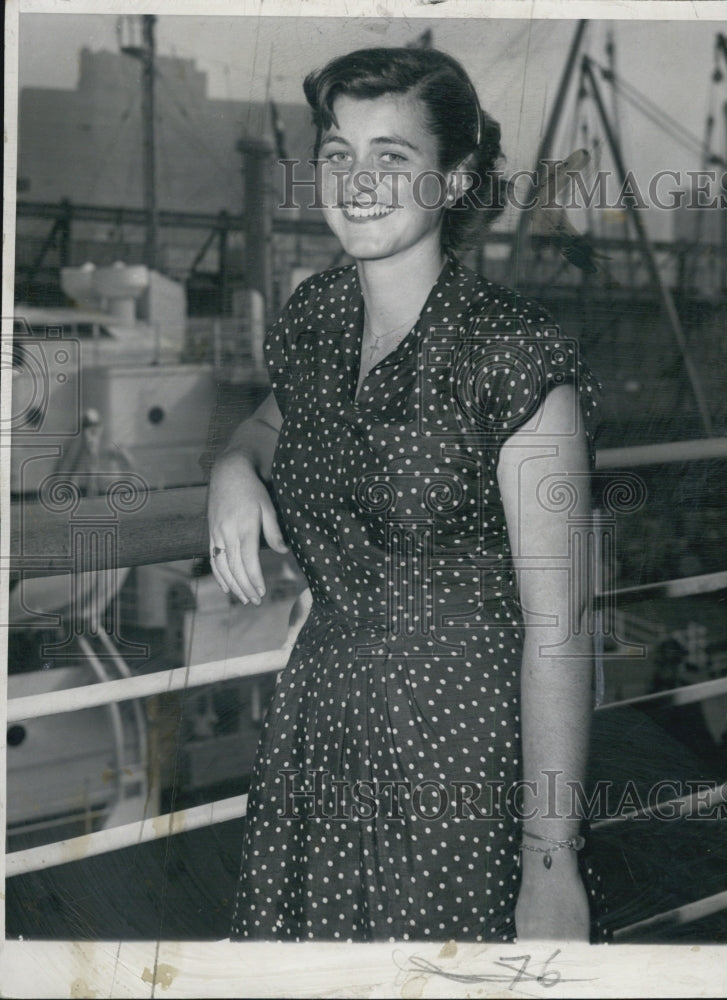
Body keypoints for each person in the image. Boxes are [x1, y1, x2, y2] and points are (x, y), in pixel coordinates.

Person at [208, 47, 602, 943]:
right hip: (325, 719)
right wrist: (233, 466)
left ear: (455, 179)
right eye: (340, 153)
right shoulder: (318, 315)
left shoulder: (511, 355)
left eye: (393, 158)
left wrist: (552, 858)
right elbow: (270, 424)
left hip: (462, 748)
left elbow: (561, 628)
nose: (357, 181)